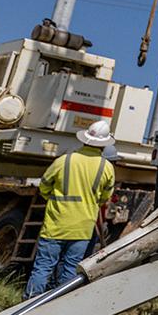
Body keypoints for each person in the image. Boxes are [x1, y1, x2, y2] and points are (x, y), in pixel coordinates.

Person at [24, 120, 116, 299]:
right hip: (82, 229)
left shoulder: (64, 160)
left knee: (43, 266)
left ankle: (29, 306)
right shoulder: (107, 168)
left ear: (84, 140)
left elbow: (44, 186)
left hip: (56, 224)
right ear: (104, 146)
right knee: (70, 269)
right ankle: (60, 307)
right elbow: (104, 198)